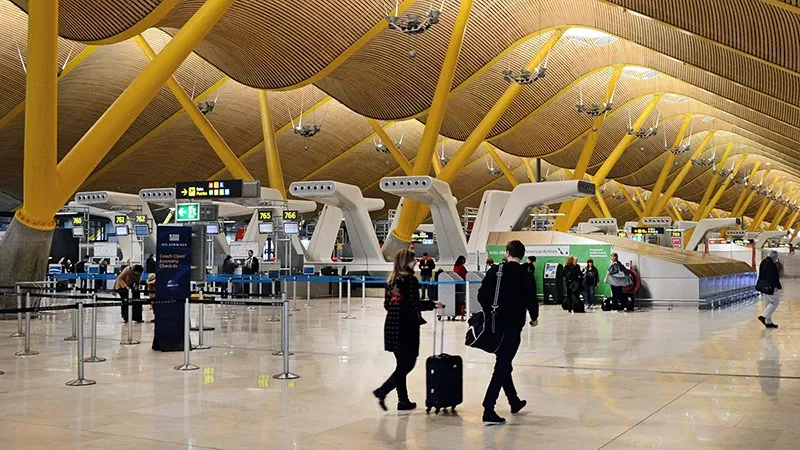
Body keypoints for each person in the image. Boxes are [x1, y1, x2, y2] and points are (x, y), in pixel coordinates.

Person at [478, 240, 538, 425]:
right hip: (513, 327)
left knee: (504, 363)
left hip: (496, 325)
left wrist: (491, 311)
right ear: (522, 254)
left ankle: (514, 401)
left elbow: (481, 295)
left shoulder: (496, 271)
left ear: (507, 252)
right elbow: (531, 299)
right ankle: (489, 408)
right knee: (503, 365)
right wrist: (534, 317)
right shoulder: (525, 274)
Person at [374, 249, 442, 411]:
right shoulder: (410, 280)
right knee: (408, 364)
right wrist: (433, 304)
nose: (416, 262)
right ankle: (382, 391)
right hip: (407, 327)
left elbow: (387, 305)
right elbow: (414, 304)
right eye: (413, 260)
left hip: (391, 326)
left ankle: (403, 400)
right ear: (407, 262)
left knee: (401, 364)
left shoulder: (391, 280)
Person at [757, 250, 782, 329]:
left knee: (767, 304)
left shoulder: (763, 262)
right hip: (770, 287)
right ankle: (764, 317)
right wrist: (776, 286)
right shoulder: (771, 264)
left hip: (763, 286)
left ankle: (769, 322)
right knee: (775, 302)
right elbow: (772, 277)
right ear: (774, 256)